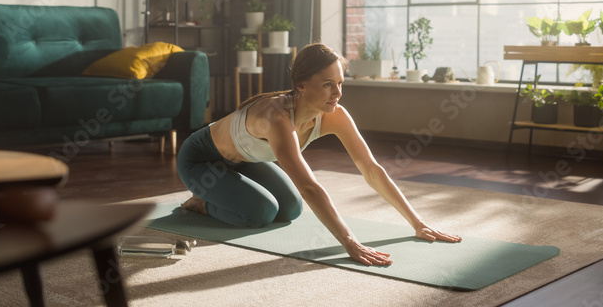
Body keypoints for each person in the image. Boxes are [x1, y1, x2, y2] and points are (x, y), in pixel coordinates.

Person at [177, 42, 461, 266]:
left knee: (291, 208)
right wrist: (350, 241)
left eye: (340, 83)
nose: (337, 92)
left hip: (243, 161)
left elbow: (372, 170)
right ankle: (201, 203)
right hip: (202, 161)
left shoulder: (334, 115)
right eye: (327, 84)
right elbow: (309, 186)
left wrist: (418, 224)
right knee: (262, 212)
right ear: (301, 85)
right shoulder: (277, 115)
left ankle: (227, 191)